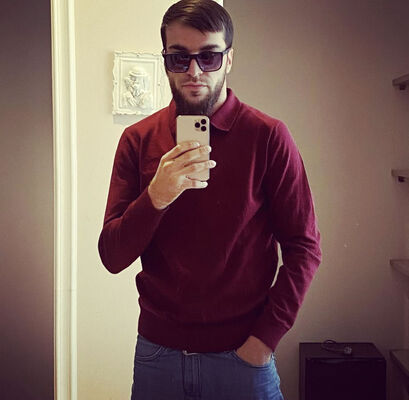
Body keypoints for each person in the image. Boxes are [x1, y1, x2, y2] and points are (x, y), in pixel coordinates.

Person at [98, 1, 322, 399]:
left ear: (229, 59)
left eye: (209, 56)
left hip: (243, 358)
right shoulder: (138, 140)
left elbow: (304, 247)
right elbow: (112, 256)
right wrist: (156, 197)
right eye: (179, 57)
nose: (194, 71)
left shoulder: (268, 136)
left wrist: (264, 341)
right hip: (158, 355)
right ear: (165, 61)